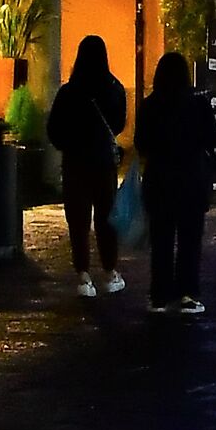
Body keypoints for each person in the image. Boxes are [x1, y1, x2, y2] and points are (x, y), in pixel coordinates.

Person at [138, 51, 216, 315]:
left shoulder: (150, 105)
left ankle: (159, 296)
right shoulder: (198, 104)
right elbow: (212, 139)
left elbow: (141, 143)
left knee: (161, 240)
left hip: (159, 181)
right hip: (191, 181)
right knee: (190, 240)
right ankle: (188, 294)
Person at [46, 34, 128, 298]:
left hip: (75, 163)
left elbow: (54, 129)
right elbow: (118, 124)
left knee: (78, 221)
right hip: (103, 162)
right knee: (106, 219)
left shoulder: (69, 92)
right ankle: (110, 271)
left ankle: (83, 275)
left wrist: (69, 144)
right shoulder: (115, 88)